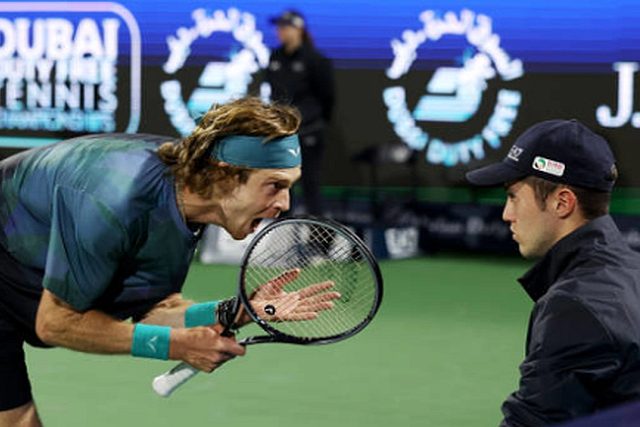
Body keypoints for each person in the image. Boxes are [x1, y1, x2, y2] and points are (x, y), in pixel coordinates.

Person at [0, 97, 339, 426]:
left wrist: (241, 310)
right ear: (224, 175)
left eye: (289, 186)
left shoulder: (189, 201)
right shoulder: (117, 199)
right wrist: (175, 346)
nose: (284, 203)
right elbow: (56, 322)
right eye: (274, 185)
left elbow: (154, 310)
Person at [466, 119, 640, 426]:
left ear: (562, 202)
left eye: (513, 196)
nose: (507, 214)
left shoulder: (574, 307)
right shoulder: (631, 269)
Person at [265, 9, 335, 216]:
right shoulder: (274, 57)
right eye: (279, 27)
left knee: (311, 183)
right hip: (282, 133)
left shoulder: (316, 60)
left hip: (309, 131)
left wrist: (316, 122)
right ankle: (282, 236)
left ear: (298, 29)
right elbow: (273, 93)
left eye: (285, 27)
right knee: (282, 185)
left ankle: (319, 239)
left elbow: (328, 97)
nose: (280, 31)